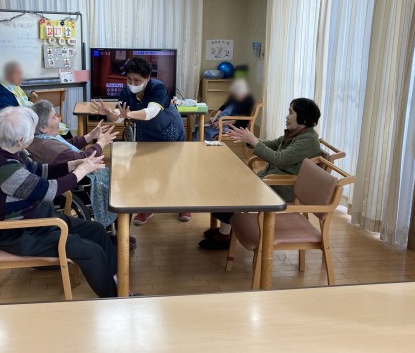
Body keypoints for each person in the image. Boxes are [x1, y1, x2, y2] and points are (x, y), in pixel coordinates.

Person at [0, 106, 118, 298]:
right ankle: (113, 298)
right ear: (20, 140)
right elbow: (49, 191)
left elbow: (39, 170)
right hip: (21, 234)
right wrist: (81, 171)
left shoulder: (10, 152)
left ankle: (116, 281)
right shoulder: (5, 168)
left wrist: (73, 165)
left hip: (38, 221)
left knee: (97, 230)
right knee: (91, 251)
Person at [199, 98, 323, 250]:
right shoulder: (297, 134)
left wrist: (254, 141)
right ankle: (226, 229)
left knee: (232, 190)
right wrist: (249, 139)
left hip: (282, 187)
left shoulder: (308, 140)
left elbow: (280, 159)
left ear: (303, 117)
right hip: (271, 181)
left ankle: (224, 235)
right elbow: (271, 144)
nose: (287, 116)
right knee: (227, 183)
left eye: (291, 113)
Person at [26, 101, 139, 250]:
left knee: (121, 179)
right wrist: (101, 143)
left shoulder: (43, 138)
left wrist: (91, 135)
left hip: (79, 174)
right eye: (54, 117)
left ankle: (119, 234)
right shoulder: (45, 145)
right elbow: (82, 158)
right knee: (124, 187)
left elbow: (69, 145)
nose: (58, 118)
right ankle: (120, 236)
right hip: (79, 182)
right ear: (43, 128)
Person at [91, 56, 190, 225]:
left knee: (173, 169)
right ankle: (147, 207)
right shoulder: (126, 92)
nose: (132, 83)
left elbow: (151, 112)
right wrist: (110, 114)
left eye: (137, 80)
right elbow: (119, 117)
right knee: (144, 170)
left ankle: (184, 204)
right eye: (129, 79)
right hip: (146, 132)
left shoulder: (158, 87)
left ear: (148, 78)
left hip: (169, 131)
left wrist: (128, 114)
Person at [0, 61, 71, 137]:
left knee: (61, 127)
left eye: (21, 73)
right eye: (18, 74)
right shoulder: (3, 90)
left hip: (31, 118)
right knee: (60, 130)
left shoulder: (14, 87)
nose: (21, 76)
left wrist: (29, 98)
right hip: (24, 124)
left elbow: (20, 102)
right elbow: (4, 112)